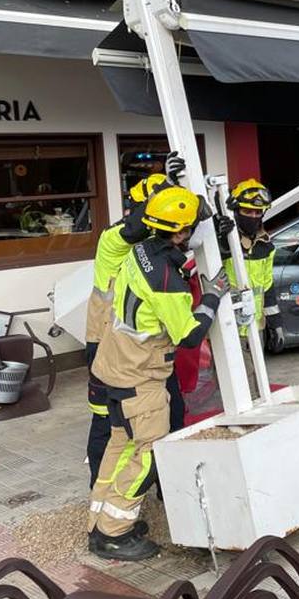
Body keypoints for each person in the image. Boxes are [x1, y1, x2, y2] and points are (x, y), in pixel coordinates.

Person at [88, 186, 229, 560]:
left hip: (114, 366)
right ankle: (114, 533)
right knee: (150, 452)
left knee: (120, 444)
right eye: (194, 227)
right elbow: (189, 334)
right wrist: (212, 296)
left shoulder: (139, 251)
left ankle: (99, 520)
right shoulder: (168, 279)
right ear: (180, 233)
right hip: (140, 375)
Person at [223, 179, 281, 351]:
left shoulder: (265, 247)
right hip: (228, 328)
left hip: (255, 329)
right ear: (235, 212)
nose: (253, 216)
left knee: (255, 378)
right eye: (247, 211)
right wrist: (222, 238)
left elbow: (267, 289)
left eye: (258, 212)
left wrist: (275, 324)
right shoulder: (225, 242)